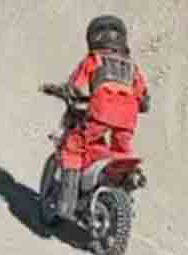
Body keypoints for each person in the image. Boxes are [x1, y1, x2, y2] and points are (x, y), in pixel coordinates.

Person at [56, 15, 150, 221]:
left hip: (101, 112)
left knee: (73, 147)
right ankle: (123, 196)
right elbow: (144, 98)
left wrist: (64, 91)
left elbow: (74, 85)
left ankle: (66, 204)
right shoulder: (131, 66)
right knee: (121, 153)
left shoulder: (94, 59)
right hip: (127, 118)